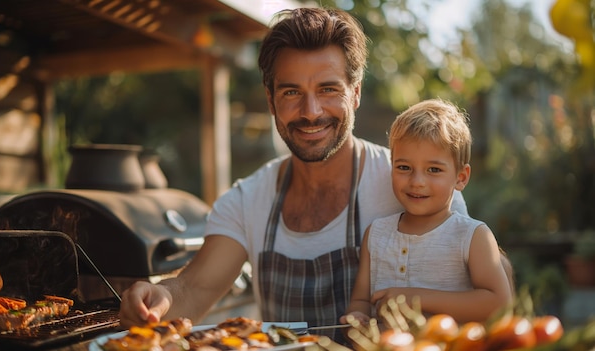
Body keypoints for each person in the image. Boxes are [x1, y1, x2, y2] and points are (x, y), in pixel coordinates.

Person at [118, 7, 478, 338]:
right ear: (271, 99)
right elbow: (194, 289)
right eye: (292, 92)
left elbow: (474, 305)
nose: (311, 111)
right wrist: (160, 296)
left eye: (328, 89)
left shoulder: (416, 187)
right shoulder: (248, 200)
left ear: (355, 93)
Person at [342, 99, 513, 325]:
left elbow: (499, 305)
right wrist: (356, 318)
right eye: (404, 168)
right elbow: (361, 301)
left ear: (461, 177)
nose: (417, 181)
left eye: (434, 170)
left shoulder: (472, 236)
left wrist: (416, 298)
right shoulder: (376, 235)